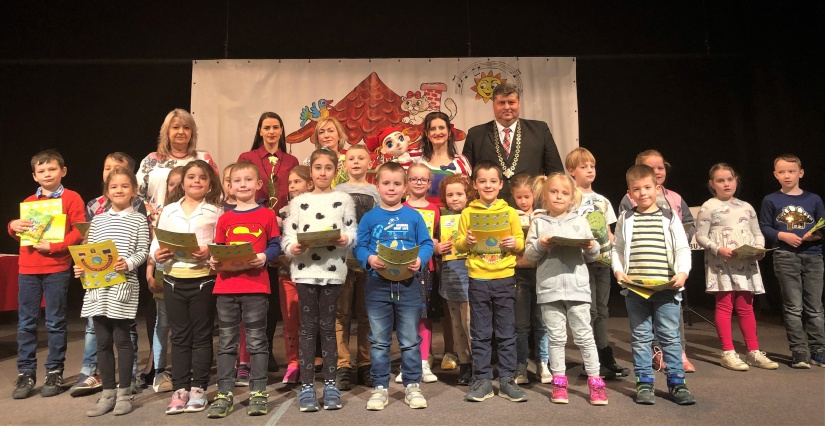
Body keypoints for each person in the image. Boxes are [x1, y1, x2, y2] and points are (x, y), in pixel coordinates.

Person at [612, 164, 695, 406]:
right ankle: (644, 382)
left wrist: (682, 272)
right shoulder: (625, 218)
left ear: (657, 188)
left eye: (647, 187)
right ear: (629, 193)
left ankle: (677, 383)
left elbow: (682, 248)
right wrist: (618, 270)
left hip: (666, 288)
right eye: (636, 189)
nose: (643, 193)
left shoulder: (669, 217)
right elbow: (617, 249)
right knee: (640, 337)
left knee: (670, 336)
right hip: (636, 290)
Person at [282, 149, 358, 412]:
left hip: (333, 271)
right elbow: (289, 236)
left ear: (335, 171)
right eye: (318, 168)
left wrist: (345, 239)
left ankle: (330, 385)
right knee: (307, 328)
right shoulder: (299, 202)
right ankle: (307, 387)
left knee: (328, 327)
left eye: (328, 168)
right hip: (305, 270)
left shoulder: (344, 199)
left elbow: (351, 230)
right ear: (311, 171)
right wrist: (292, 247)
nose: (323, 173)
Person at [355, 162, 434, 411]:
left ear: (405, 187)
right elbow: (359, 246)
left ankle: (412, 385)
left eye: (397, 183)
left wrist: (420, 260)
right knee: (379, 340)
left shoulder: (413, 216)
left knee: (409, 339)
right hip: (377, 286)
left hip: (409, 285)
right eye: (386, 183)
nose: (391, 188)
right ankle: (380, 387)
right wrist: (369, 258)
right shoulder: (370, 217)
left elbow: (427, 244)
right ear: (377, 186)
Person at [7, 149, 85, 399]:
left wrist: (55, 246)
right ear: (34, 176)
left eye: (52, 169)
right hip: (28, 268)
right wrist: (12, 226)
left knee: (55, 321)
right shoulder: (30, 201)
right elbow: (24, 232)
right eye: (41, 171)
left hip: (56, 267)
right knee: (26, 323)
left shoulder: (72, 198)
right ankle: (26, 372)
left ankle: (54, 371)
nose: (47, 174)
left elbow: (79, 230)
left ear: (63, 171)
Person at [524, 173, 607, 406]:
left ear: (571, 197)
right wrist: (541, 244)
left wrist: (590, 246)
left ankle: (595, 381)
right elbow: (529, 255)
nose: (559, 197)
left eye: (564, 193)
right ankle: (559, 383)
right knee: (556, 337)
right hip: (549, 289)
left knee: (584, 336)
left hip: (577, 288)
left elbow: (593, 255)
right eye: (554, 192)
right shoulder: (539, 222)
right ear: (545, 195)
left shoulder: (579, 221)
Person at [207, 162, 281, 418]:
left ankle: (258, 391)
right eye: (237, 181)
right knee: (226, 342)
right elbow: (219, 249)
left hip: (256, 287)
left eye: (248, 180)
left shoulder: (267, 215)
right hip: (226, 287)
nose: (242, 185)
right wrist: (214, 260)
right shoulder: (225, 218)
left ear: (258, 184)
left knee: (257, 340)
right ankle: (224, 393)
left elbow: (275, 245)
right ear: (229, 187)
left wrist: (264, 256)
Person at [150, 160, 223, 414]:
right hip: (173, 279)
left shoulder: (215, 212)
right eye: (191, 177)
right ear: (182, 183)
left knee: (202, 336)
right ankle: (179, 389)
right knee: (179, 337)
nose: (196, 181)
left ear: (210, 184)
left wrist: (209, 251)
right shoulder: (169, 210)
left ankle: (198, 389)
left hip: (203, 279)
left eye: (202, 177)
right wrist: (157, 254)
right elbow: (157, 240)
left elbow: (221, 243)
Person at [70, 152, 146, 398]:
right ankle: (108, 393)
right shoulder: (98, 220)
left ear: (134, 190)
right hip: (98, 289)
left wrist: (129, 263)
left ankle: (124, 393)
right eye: (114, 187)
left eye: (124, 186)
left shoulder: (138, 219)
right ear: (107, 192)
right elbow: (91, 253)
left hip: (122, 287)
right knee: (102, 343)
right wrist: (82, 269)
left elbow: (143, 251)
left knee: (122, 340)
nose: (119, 190)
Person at [455, 160, 527, 403]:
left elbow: (520, 242)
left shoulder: (509, 212)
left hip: (504, 277)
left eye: (493, 181)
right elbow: (458, 245)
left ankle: (507, 379)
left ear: (500, 184)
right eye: (482, 181)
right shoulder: (468, 213)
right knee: (481, 332)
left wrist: (514, 243)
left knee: (506, 332)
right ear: (474, 185)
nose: (488, 185)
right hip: (478, 278)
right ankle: (483, 379)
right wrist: (466, 241)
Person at [696, 163, 779, 371]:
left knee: (746, 306)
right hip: (722, 262)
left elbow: (757, 232)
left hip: (745, 262)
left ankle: (753, 351)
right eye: (720, 180)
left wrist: (759, 248)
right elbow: (700, 236)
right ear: (712, 184)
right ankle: (728, 352)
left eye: (730, 179)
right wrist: (718, 248)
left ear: (736, 181)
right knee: (725, 305)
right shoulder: (709, 206)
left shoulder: (746, 207)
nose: (726, 184)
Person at [237, 112, 300, 373]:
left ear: (282, 130)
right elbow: (242, 189)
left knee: (277, 294)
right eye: (267, 127)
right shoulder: (248, 157)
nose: (271, 132)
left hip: (283, 228)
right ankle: (252, 352)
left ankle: (273, 350)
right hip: (256, 226)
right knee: (256, 291)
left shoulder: (291, 160)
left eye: (276, 127)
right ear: (260, 131)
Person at [566, 147, 628, 379]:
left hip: (602, 262)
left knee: (602, 310)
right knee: (588, 311)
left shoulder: (602, 200)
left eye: (592, 166)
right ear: (572, 171)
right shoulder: (569, 198)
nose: (590, 170)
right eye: (584, 167)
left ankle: (605, 355)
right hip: (580, 263)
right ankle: (589, 360)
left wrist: (617, 256)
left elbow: (609, 233)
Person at [758, 154, 824, 368]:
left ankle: (818, 350)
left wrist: (815, 235)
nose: (787, 175)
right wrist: (782, 235)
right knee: (793, 306)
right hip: (785, 256)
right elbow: (765, 226)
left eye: (791, 171)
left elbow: (822, 224)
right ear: (775, 175)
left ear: (800, 173)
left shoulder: (813, 199)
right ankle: (799, 352)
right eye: (782, 172)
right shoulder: (771, 199)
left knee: (815, 307)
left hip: (813, 255)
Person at [461, 82, 563, 205]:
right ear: (493, 105)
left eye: (511, 102)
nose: (507, 107)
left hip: (532, 208)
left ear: (518, 104)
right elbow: (466, 178)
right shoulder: (476, 134)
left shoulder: (539, 130)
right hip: (489, 209)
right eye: (501, 103)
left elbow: (556, 174)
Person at [333, 144, 379, 390]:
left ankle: (365, 363)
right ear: (345, 163)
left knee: (366, 315)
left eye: (361, 158)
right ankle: (343, 364)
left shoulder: (375, 192)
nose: (356, 162)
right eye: (351, 158)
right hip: (342, 261)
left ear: (369, 163)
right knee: (341, 315)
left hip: (368, 261)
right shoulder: (338, 191)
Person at [396, 163, 441, 384]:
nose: (418, 183)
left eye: (423, 179)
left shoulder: (435, 210)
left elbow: (439, 239)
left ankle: (423, 362)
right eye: (414, 179)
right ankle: (407, 363)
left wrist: (437, 245)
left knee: (424, 317)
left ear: (429, 183)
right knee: (405, 316)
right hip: (403, 268)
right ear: (407, 182)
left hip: (426, 268)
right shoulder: (400, 208)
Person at [507, 174, 550, 385]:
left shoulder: (543, 215)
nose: (523, 201)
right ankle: (521, 365)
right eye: (519, 197)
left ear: (534, 195)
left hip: (541, 273)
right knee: (521, 324)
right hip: (519, 274)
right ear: (513, 196)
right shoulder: (511, 215)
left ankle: (543, 362)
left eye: (527, 196)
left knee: (542, 323)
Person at [137, 108, 218, 218]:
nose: (181, 132)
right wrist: (150, 211)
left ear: (192, 133)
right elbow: (135, 195)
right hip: (156, 221)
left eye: (186, 128)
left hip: (197, 220)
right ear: (167, 131)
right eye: (176, 127)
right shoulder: (151, 160)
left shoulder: (204, 159)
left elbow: (216, 193)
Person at [145, 166, 184, 394]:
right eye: (172, 184)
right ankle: (160, 371)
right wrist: (149, 272)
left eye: (180, 183)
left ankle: (184, 369)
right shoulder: (163, 213)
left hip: (187, 274)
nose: (176, 188)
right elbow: (155, 247)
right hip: (163, 274)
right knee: (162, 323)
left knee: (185, 325)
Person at [435, 174, 475, 385]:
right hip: (450, 277)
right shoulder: (443, 220)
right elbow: (434, 244)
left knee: (470, 325)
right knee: (456, 325)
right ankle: (465, 363)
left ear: (468, 195)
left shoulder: (473, 217)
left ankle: (478, 364)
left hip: (470, 278)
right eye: (450, 195)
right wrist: (437, 247)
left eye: (459, 194)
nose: (455, 198)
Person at [277, 165, 314, 384]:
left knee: (309, 320)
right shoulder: (283, 213)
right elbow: (277, 242)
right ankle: (293, 363)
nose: (292, 186)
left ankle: (309, 360)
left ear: (310, 184)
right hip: (287, 274)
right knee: (290, 320)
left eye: (297, 182)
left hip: (312, 273)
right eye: (290, 182)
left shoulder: (321, 209)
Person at [415, 111, 472, 206]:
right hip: (423, 212)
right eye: (432, 129)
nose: (437, 132)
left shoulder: (461, 162)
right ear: (427, 134)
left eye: (441, 128)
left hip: (452, 214)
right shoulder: (417, 160)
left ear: (449, 132)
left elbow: (468, 194)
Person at [302, 117, 349, 187]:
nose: (326, 135)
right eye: (321, 132)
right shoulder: (308, 162)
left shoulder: (348, 161)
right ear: (317, 138)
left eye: (331, 131)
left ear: (339, 135)